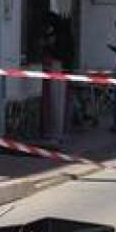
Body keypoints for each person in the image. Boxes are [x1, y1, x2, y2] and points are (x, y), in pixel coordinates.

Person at [40, 11, 74, 144]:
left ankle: (55, 133)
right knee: (58, 100)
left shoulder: (60, 35)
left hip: (58, 67)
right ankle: (57, 132)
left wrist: (47, 47)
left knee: (56, 100)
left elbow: (59, 52)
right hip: (63, 68)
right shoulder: (64, 32)